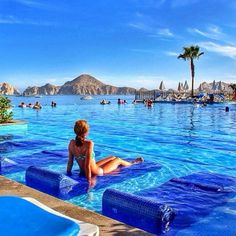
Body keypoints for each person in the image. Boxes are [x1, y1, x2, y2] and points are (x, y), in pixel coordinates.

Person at [67, 120, 144, 184]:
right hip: (96, 172)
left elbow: (70, 162)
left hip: (83, 172)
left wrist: (68, 175)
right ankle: (133, 162)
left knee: (112, 157)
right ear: (86, 131)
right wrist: (89, 181)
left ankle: (125, 161)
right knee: (118, 160)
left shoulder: (71, 143)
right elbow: (87, 166)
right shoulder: (89, 143)